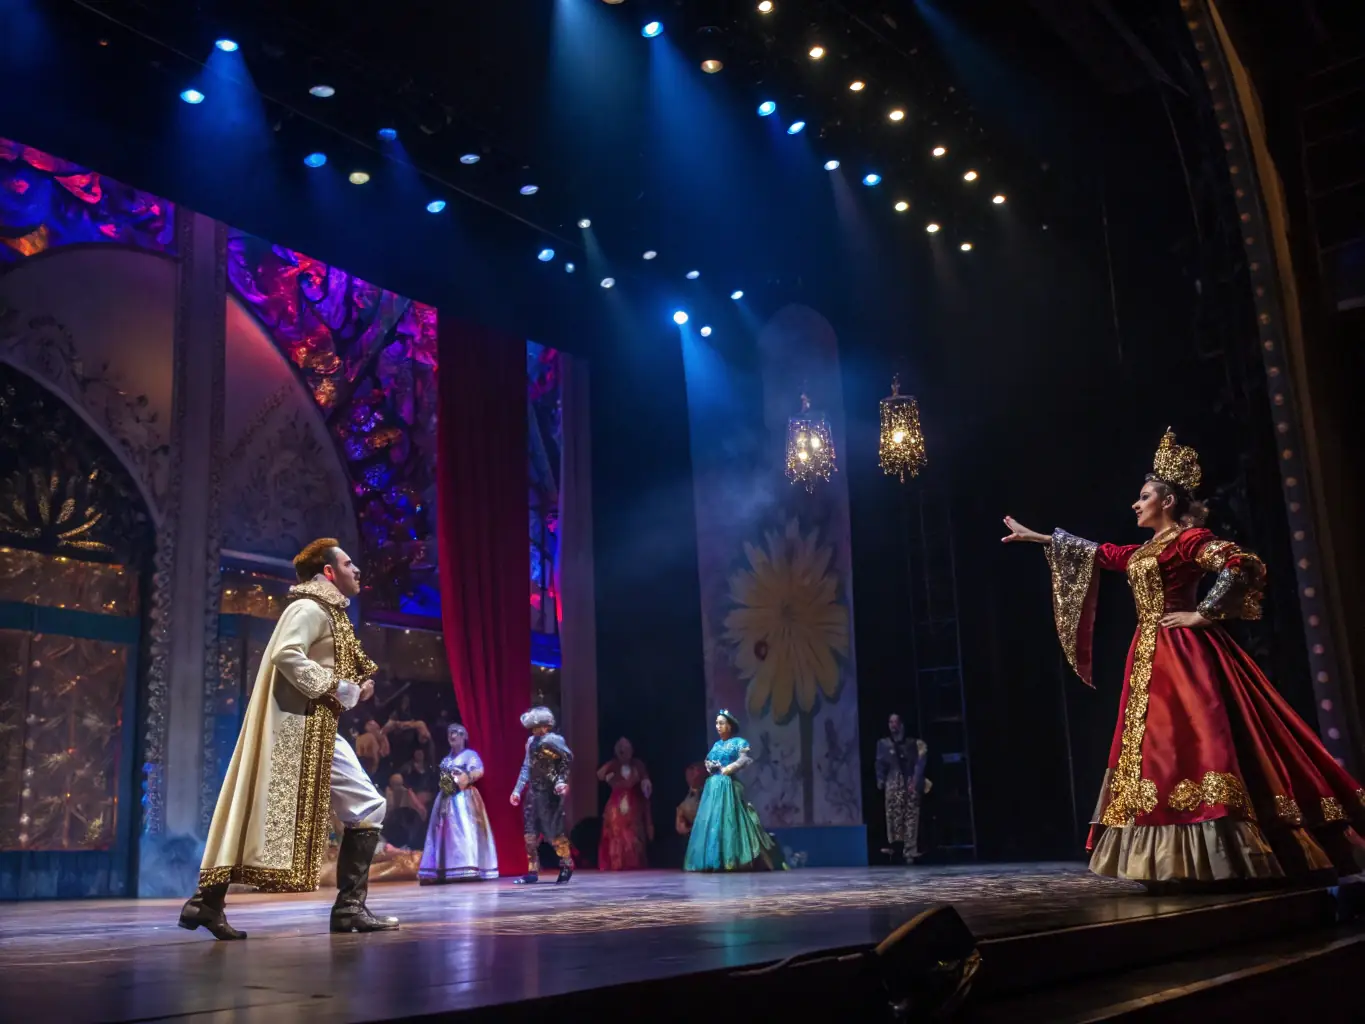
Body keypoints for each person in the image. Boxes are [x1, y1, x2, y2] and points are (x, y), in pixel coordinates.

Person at [1003, 428, 1365, 887]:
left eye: (1144, 496)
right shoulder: (1145, 551)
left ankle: (1228, 852)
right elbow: (1100, 553)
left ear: (1168, 502)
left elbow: (1243, 564)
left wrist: (1203, 614)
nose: (1136, 504)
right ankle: (1175, 860)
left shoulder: (1189, 541)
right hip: (1150, 658)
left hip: (1186, 655)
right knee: (1157, 750)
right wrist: (1036, 537)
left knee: (1200, 740)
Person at [180, 538, 399, 939]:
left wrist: (353, 687)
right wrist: (342, 689)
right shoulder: (309, 608)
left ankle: (206, 903)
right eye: (349, 564)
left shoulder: (328, 613)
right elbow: (286, 653)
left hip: (318, 726)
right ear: (328, 572)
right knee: (275, 812)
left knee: (360, 806)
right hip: (301, 727)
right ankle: (347, 908)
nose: (358, 570)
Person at [684, 710, 786, 872]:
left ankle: (733, 858)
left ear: (730, 726)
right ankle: (713, 859)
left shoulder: (739, 742)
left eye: (722, 723)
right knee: (713, 820)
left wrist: (729, 768)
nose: (719, 726)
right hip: (714, 786)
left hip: (728, 785)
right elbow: (708, 761)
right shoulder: (717, 745)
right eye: (717, 723)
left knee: (730, 819)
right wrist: (710, 766)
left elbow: (744, 759)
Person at [418, 723, 499, 883]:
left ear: (463, 736)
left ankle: (467, 866)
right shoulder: (446, 759)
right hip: (446, 797)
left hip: (464, 797)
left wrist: (466, 777)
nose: (452, 736)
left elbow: (479, 770)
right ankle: (444, 868)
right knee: (444, 831)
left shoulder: (469, 755)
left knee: (464, 829)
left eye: (456, 733)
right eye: (450, 733)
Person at [510, 706, 574, 884]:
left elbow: (567, 760)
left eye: (538, 727)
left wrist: (561, 781)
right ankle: (532, 871)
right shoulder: (531, 742)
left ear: (546, 726)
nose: (535, 731)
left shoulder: (555, 740)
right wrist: (517, 789)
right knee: (529, 834)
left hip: (549, 793)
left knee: (554, 832)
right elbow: (526, 767)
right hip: (533, 792)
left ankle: (567, 865)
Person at [875, 714, 930, 864]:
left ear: (902, 724)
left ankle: (910, 850)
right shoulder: (884, 744)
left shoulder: (914, 744)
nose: (893, 725)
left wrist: (916, 779)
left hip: (909, 782)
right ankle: (895, 847)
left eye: (896, 722)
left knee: (911, 816)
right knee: (893, 816)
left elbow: (920, 763)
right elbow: (880, 763)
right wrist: (880, 779)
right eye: (890, 722)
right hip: (893, 783)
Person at [597, 736, 654, 870]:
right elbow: (600, 775)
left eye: (627, 749)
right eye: (621, 749)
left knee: (633, 831)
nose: (624, 752)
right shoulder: (614, 765)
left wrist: (646, 785)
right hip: (616, 801)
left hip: (633, 801)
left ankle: (632, 862)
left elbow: (645, 780)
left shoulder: (637, 765)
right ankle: (617, 862)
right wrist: (609, 770)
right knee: (616, 829)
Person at [675, 762, 706, 837]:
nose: (695, 772)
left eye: (697, 769)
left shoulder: (710, 793)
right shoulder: (687, 795)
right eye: (691, 768)